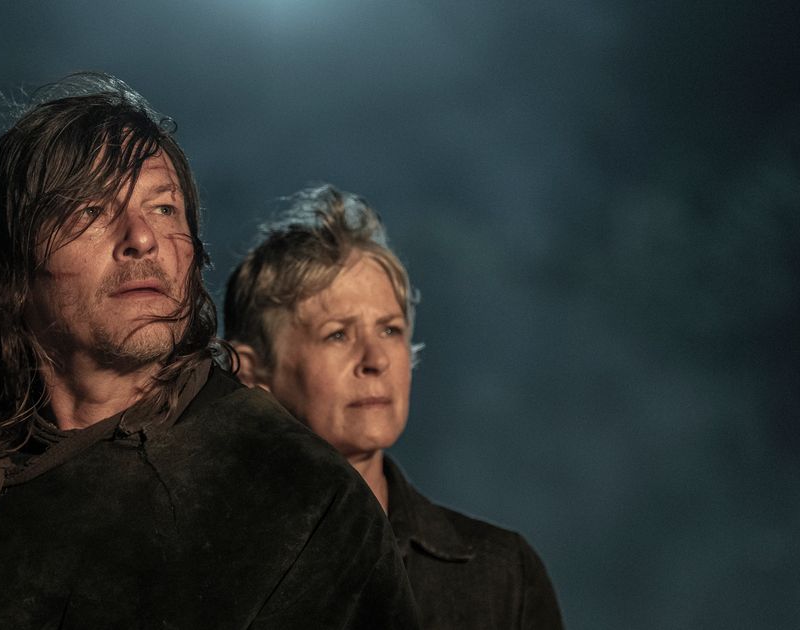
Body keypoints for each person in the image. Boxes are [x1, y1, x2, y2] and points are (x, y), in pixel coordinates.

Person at [0, 76, 419, 629]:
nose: (142, 238)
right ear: (9, 269)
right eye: (90, 210)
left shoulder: (299, 494)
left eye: (164, 209)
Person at [224, 185, 564, 629]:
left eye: (390, 330)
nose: (376, 360)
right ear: (250, 372)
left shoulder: (502, 578)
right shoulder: (197, 566)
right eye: (338, 334)